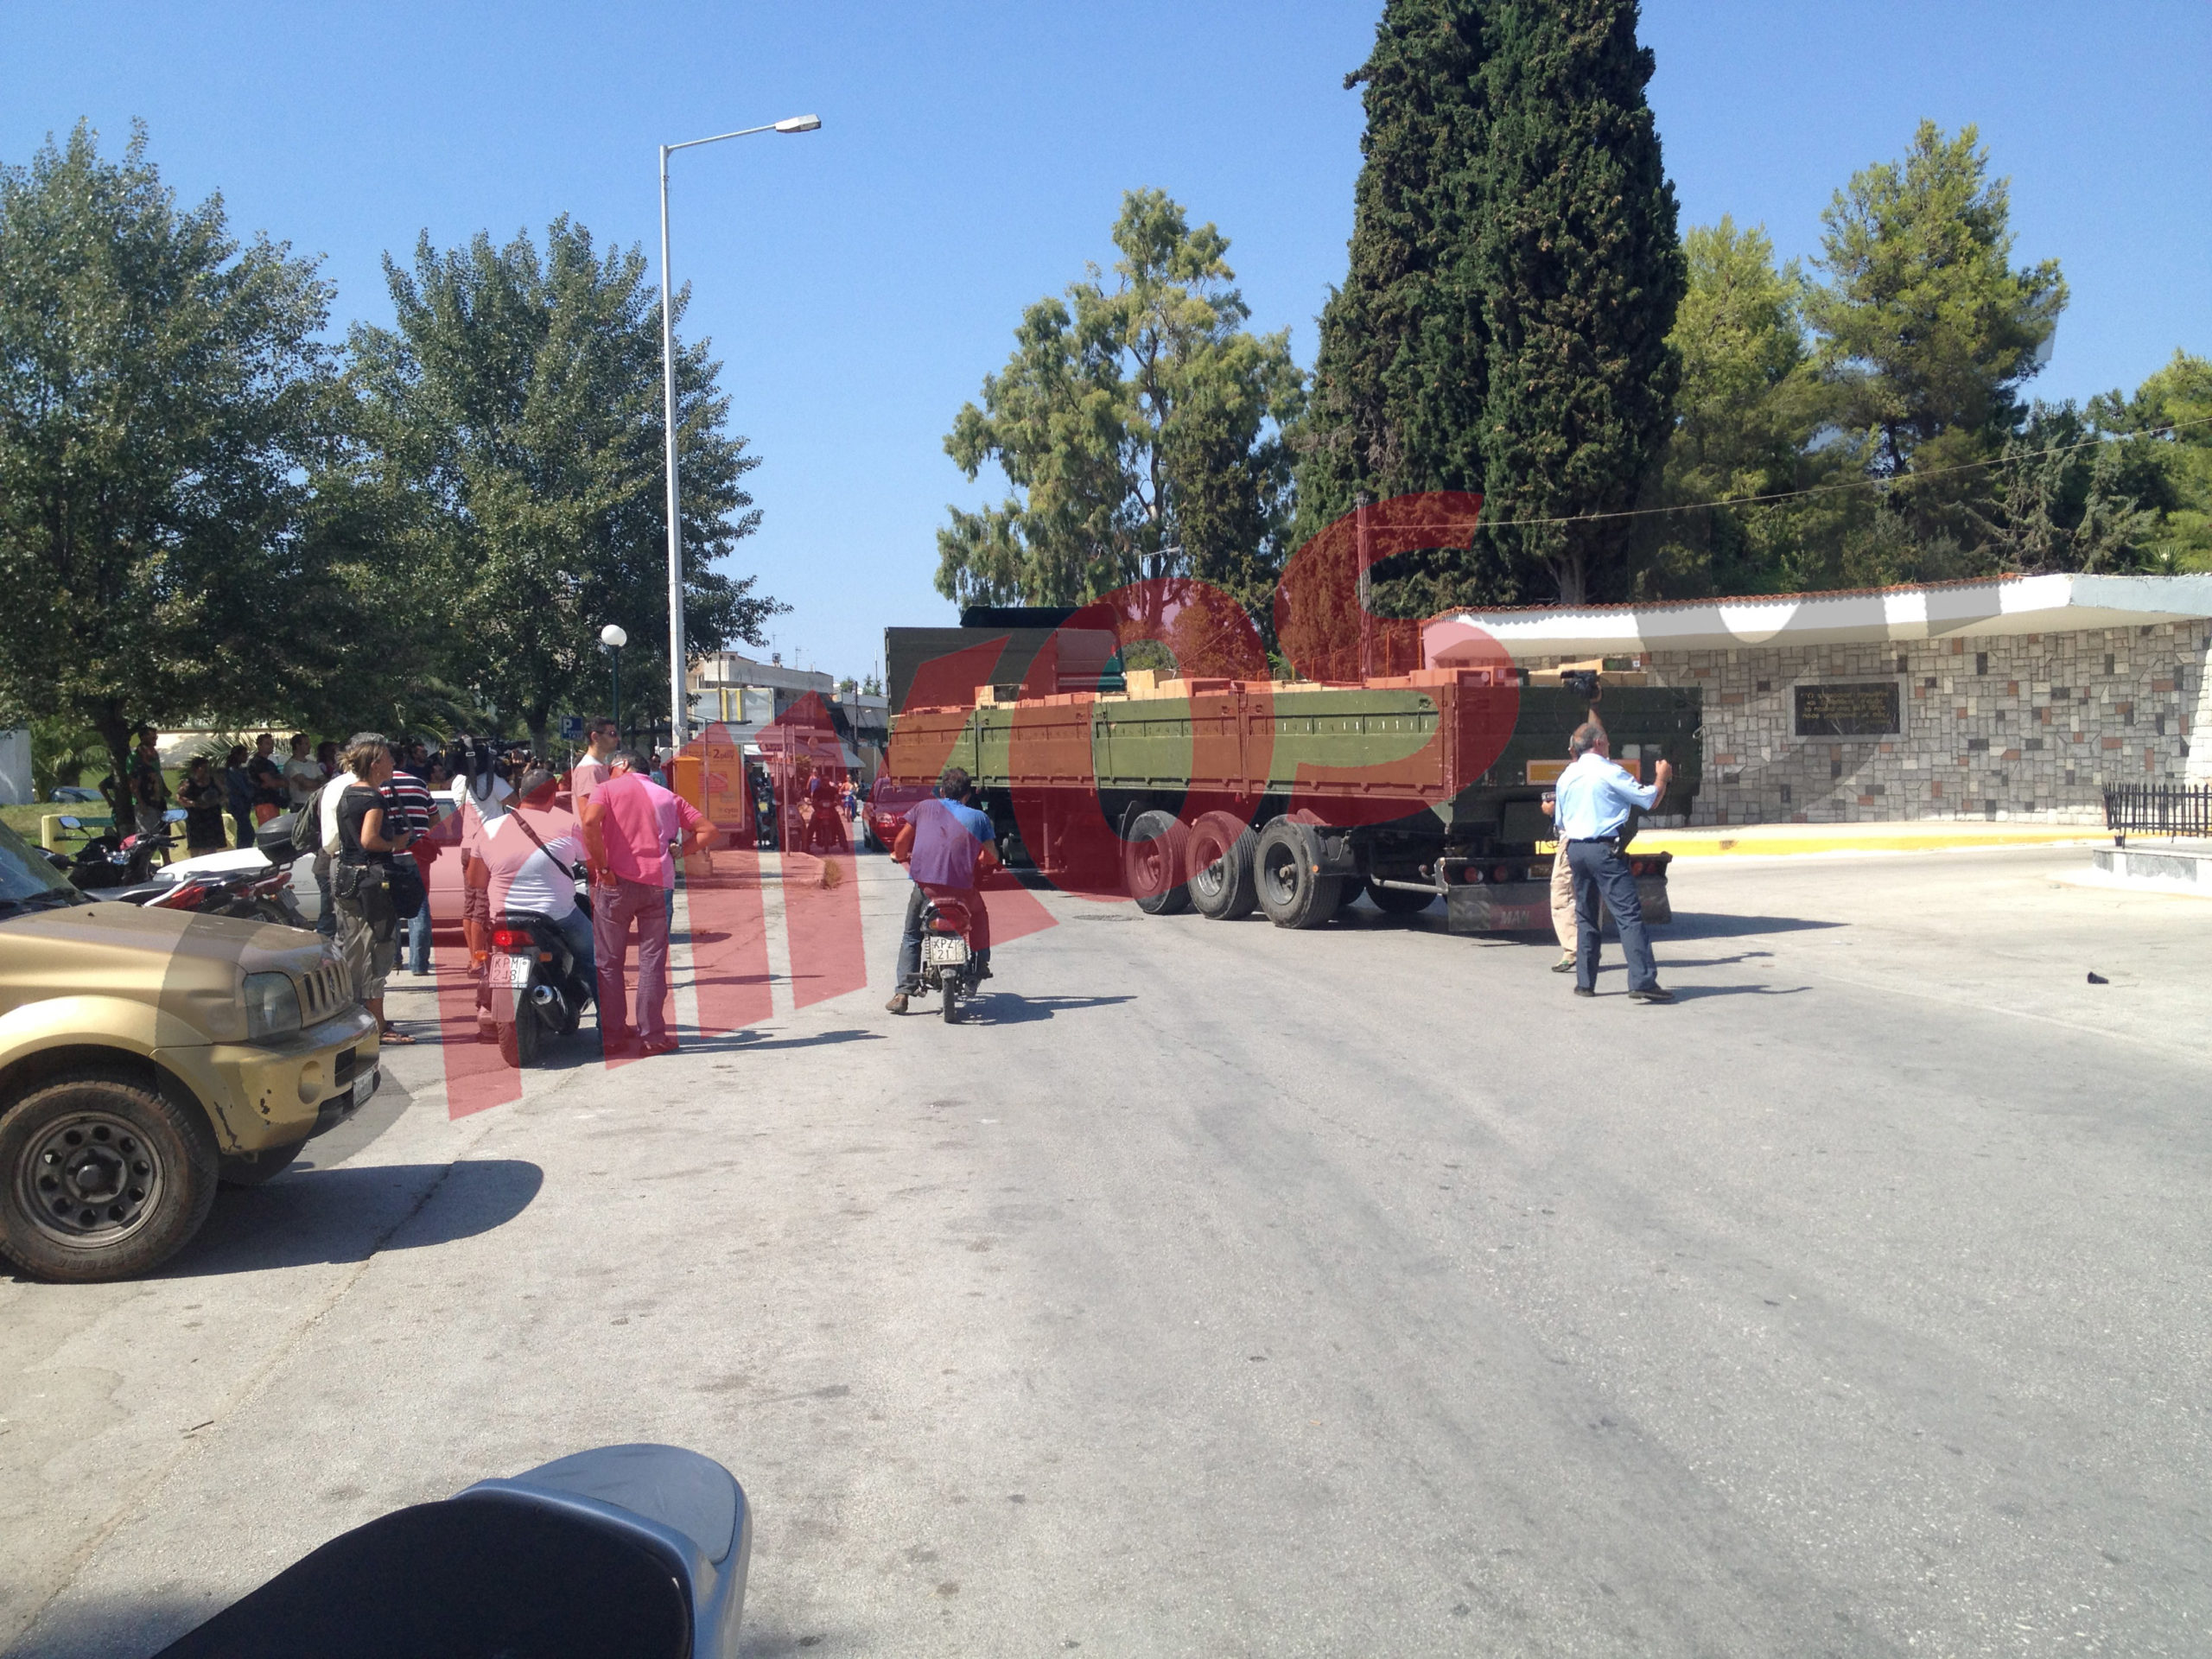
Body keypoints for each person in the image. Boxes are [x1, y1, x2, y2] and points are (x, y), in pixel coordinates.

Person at [582, 749, 712, 1057]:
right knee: (652, 962)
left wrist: (602, 867)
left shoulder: (606, 790)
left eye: (611, 767)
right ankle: (652, 1037)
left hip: (615, 885)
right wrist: (682, 852)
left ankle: (612, 1036)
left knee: (608, 962)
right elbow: (708, 831)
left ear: (623, 765)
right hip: (658, 885)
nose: (609, 773)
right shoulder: (668, 796)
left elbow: (589, 822)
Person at [1554, 721, 1675, 1004]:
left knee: (1586, 914)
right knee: (1628, 915)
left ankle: (1585, 983)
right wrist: (1662, 778)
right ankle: (1642, 981)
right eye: (1607, 741)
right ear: (1598, 743)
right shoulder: (1608, 771)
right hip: (1604, 850)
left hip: (1576, 849)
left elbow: (1560, 820)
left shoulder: (1566, 776)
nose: (1609, 746)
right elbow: (1650, 800)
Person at [885, 767, 997, 1015]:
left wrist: (899, 856)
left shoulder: (923, 808)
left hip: (927, 890)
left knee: (912, 934)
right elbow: (990, 856)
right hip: (962, 891)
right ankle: (981, 964)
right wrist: (981, 860)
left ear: (942, 791)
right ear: (968, 795)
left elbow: (901, 843)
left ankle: (902, 993)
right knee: (979, 915)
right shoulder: (979, 818)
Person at [473, 766, 594, 995]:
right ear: (553, 796)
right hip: (557, 915)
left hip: (503, 916)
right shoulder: (568, 825)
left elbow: (476, 881)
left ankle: (489, 998)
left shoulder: (488, 829)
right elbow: (593, 867)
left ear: (520, 793)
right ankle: (604, 1017)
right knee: (594, 958)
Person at [330, 735, 416, 1043]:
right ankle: (377, 1025)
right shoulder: (373, 799)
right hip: (371, 884)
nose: (393, 763)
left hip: (347, 879)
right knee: (377, 950)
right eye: (389, 759)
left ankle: (353, 1020)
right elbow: (369, 840)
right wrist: (395, 843)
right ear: (376, 764)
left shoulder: (347, 794)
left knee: (354, 951)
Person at [1541, 707, 1605, 976]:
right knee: (1590, 896)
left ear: (1571, 750)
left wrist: (1551, 810)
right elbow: (1598, 734)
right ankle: (1588, 948)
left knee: (1564, 894)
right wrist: (1594, 705)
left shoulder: (1571, 774)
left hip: (1572, 841)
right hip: (1599, 843)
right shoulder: (1603, 769)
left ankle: (1574, 950)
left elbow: (1566, 812)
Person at [384, 746, 437, 976]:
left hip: (389, 853)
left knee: (389, 908)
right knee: (420, 907)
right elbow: (435, 818)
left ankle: (394, 959)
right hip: (418, 853)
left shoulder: (379, 786)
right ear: (403, 760)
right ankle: (419, 964)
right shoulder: (418, 784)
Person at [127, 727, 171, 861]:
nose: (155, 740)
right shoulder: (135, 759)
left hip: (159, 800)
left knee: (163, 832)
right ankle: (144, 863)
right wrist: (141, 803)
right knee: (147, 835)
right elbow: (133, 783)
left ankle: (167, 861)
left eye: (156, 737)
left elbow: (157, 774)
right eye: (152, 737)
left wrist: (165, 788)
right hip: (145, 802)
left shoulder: (154, 755)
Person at [177, 757, 228, 857]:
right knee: (196, 846)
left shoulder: (213, 781)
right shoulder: (189, 782)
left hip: (212, 817)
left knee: (211, 846)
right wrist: (193, 803)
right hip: (196, 819)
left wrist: (215, 801)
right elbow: (179, 797)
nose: (206, 770)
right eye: (203, 767)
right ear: (195, 769)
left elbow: (224, 794)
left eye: (207, 767)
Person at [569, 716, 620, 812]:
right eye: (612, 734)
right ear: (595, 737)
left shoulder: (598, 766)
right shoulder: (589, 770)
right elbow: (586, 813)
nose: (617, 739)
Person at [246, 732, 285, 823]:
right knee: (269, 827)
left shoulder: (269, 763)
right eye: (267, 743)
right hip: (263, 802)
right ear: (259, 746)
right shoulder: (257, 762)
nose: (271, 746)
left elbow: (282, 780)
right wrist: (276, 783)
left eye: (272, 743)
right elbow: (271, 782)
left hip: (274, 800)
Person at [222, 745, 256, 850]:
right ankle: (243, 849)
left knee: (244, 831)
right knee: (247, 831)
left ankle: (243, 848)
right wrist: (251, 792)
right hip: (237, 803)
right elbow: (243, 787)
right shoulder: (232, 771)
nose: (246, 757)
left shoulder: (240, 770)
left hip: (243, 803)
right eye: (244, 755)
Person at [283, 734, 322, 811]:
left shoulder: (313, 764)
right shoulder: (291, 765)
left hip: (316, 803)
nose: (309, 746)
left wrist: (310, 786)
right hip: (300, 806)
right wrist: (318, 783)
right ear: (298, 746)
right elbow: (306, 783)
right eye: (306, 744)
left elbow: (325, 781)